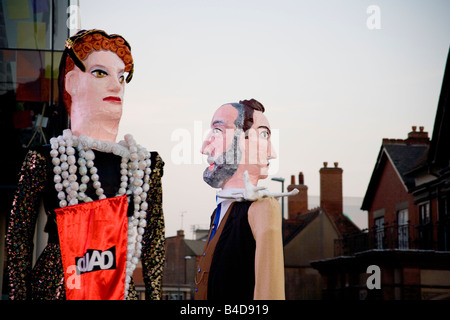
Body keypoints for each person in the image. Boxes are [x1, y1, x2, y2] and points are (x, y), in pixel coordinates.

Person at [6, 29, 165, 300]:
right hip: (58, 289)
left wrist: (155, 295)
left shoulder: (144, 165)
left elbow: (154, 245)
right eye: (101, 73)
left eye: (122, 77)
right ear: (71, 82)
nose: (116, 85)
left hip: (119, 289)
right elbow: (18, 240)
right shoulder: (46, 158)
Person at [196, 99, 294, 300]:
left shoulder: (262, 207)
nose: (205, 147)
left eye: (218, 131)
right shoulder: (220, 211)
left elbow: (270, 294)